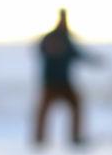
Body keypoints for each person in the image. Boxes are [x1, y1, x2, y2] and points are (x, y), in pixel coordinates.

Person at [34, 9, 97, 145]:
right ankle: (39, 139)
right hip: (50, 82)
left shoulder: (67, 39)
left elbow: (77, 54)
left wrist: (93, 60)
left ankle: (75, 138)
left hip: (65, 82)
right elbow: (42, 50)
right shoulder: (50, 38)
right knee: (43, 111)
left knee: (76, 105)